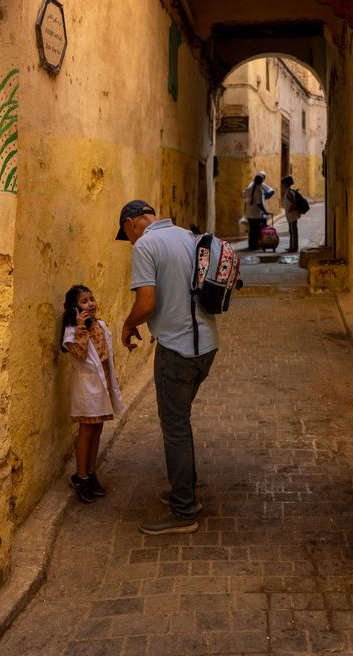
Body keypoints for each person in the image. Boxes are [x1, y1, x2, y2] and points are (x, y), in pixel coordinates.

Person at [117, 200, 218, 536]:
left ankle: (183, 510)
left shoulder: (146, 245)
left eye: (127, 235)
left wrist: (129, 324)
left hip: (177, 350)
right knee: (180, 425)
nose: (130, 241)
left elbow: (147, 302)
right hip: (206, 346)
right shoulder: (188, 237)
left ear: (132, 224)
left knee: (175, 429)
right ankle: (184, 492)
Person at [61, 284, 124, 504]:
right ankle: (80, 477)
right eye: (84, 301)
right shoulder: (72, 333)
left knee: (97, 429)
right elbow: (78, 354)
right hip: (87, 390)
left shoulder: (100, 326)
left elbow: (108, 358)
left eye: (92, 299)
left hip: (102, 386)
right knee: (86, 431)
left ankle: (91, 472)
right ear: (74, 308)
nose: (91, 304)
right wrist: (80, 328)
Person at [241, 171, 276, 250]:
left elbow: (242, 195)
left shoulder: (249, 188)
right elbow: (259, 204)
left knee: (251, 230)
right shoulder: (259, 191)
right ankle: (255, 245)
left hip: (249, 213)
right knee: (256, 230)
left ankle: (251, 245)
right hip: (256, 214)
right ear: (261, 182)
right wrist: (265, 211)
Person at [281, 174, 300, 253]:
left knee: (293, 231)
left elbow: (294, 203)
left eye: (283, 184)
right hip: (290, 215)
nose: (282, 185)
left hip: (292, 215)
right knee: (292, 231)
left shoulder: (289, 192)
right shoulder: (289, 191)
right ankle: (292, 247)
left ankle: (294, 247)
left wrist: (290, 210)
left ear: (286, 184)